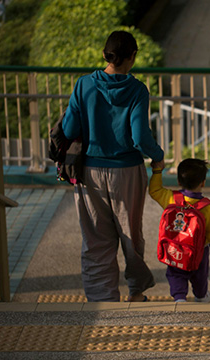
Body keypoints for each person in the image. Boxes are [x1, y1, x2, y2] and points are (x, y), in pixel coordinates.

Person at [62, 31, 164, 302]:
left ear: (106, 54)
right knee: (131, 234)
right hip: (128, 171)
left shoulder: (83, 85)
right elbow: (140, 136)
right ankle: (136, 292)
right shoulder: (137, 89)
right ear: (132, 56)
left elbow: (69, 128)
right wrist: (158, 155)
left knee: (96, 238)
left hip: (89, 173)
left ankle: (102, 299)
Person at [149, 158, 210, 302]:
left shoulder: (171, 198)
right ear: (203, 182)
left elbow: (154, 190)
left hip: (174, 248)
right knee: (200, 275)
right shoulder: (206, 207)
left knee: (175, 273)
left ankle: (179, 298)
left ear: (179, 181)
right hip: (199, 251)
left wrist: (157, 171)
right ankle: (201, 296)